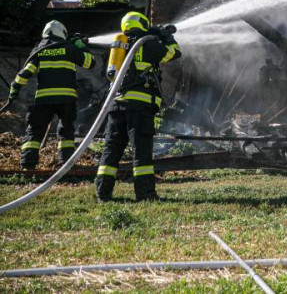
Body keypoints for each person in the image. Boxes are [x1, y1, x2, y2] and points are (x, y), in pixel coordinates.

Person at [95, 11, 181, 202]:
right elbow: (174, 52)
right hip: (140, 107)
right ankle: (145, 195)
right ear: (142, 23)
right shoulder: (148, 43)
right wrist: (166, 36)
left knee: (111, 150)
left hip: (116, 107)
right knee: (141, 152)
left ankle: (103, 194)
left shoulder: (120, 45)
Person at [9, 20, 95, 169]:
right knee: (66, 130)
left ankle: (27, 164)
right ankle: (66, 164)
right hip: (66, 99)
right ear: (62, 33)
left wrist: (14, 90)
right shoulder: (69, 48)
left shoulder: (39, 50)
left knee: (35, 131)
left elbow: (24, 74)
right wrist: (81, 46)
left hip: (44, 99)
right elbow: (90, 63)